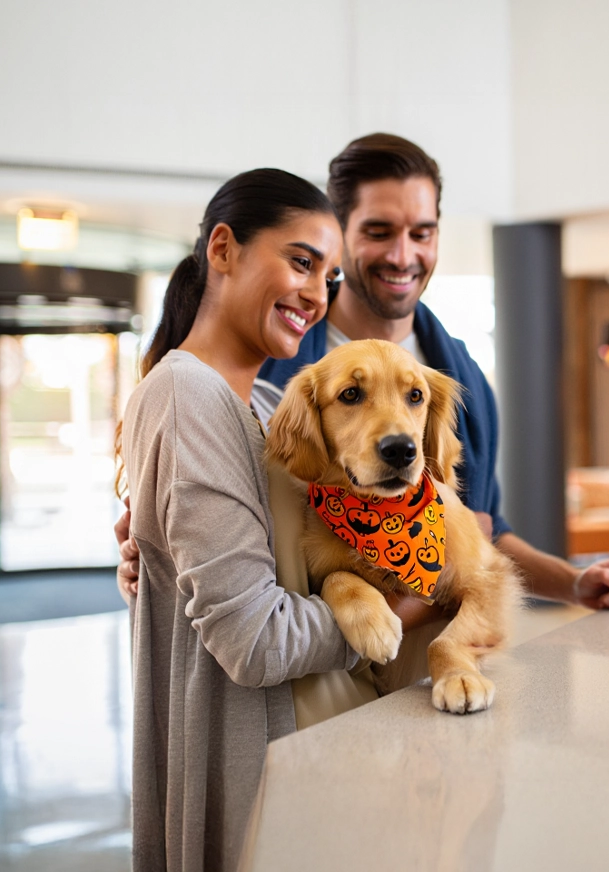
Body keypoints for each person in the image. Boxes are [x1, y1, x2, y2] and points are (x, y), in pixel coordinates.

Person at [118, 135, 609, 612]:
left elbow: (486, 530)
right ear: (339, 237)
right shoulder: (272, 360)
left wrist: (573, 584)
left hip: (442, 668)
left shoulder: (461, 379)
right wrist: (158, 551)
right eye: (379, 231)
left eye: (422, 233)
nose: (403, 254)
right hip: (318, 672)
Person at [119, 168, 412, 872]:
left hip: (317, 762)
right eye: (301, 262)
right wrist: (397, 607)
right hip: (255, 776)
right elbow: (253, 641)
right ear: (223, 250)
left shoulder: (267, 406)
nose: (316, 294)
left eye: (329, 277)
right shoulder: (189, 395)